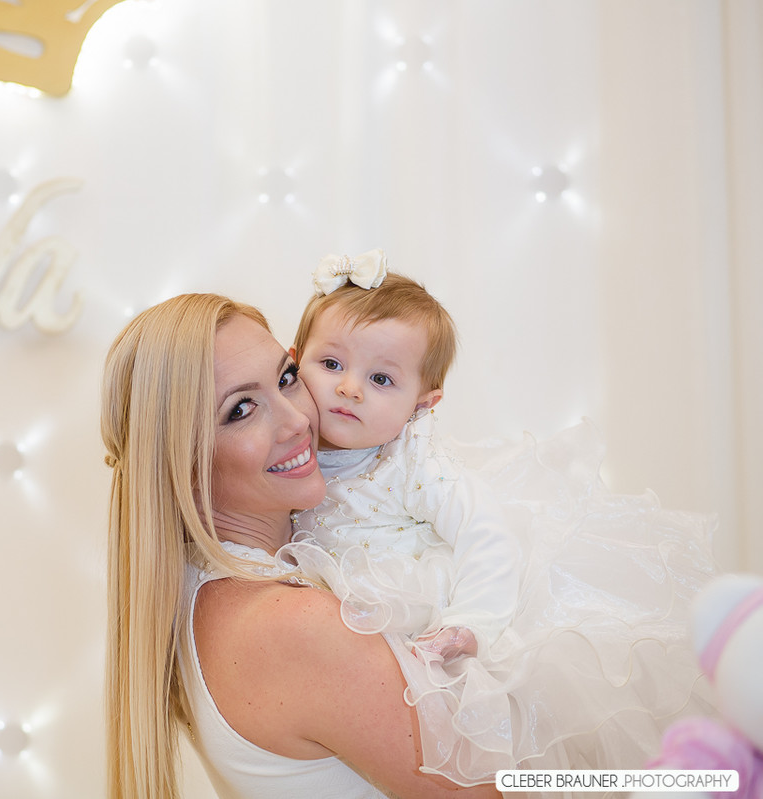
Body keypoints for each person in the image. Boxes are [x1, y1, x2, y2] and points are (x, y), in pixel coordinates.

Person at [279, 250, 720, 785]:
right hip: (352, 629)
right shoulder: (289, 453)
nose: (349, 388)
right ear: (294, 362)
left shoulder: (417, 464)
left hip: (439, 611)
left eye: (381, 379)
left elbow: (487, 537)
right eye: (331, 365)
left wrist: (472, 623)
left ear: (424, 403)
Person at [101, 293, 501, 798]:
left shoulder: (199, 593)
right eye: (241, 409)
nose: (297, 421)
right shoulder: (294, 625)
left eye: (288, 377)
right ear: (179, 463)